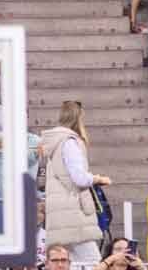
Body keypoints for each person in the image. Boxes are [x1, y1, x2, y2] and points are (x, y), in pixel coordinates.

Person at [41, 100, 112, 266]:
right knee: (92, 261)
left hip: (59, 212)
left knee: (67, 263)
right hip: (73, 211)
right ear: (78, 118)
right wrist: (98, 179)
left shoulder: (55, 143)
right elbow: (79, 178)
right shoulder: (70, 142)